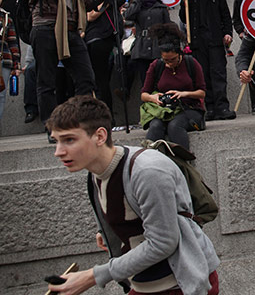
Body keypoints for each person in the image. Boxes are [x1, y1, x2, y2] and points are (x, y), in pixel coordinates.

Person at [46, 96, 220, 295]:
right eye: (56, 141)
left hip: (181, 285)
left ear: (100, 136)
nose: (58, 152)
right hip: (143, 285)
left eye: (69, 140)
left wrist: (92, 276)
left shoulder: (147, 171)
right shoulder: (96, 171)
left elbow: (163, 242)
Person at [19, 0, 115, 124]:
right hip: (45, 29)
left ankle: (82, 121)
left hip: (71, 32)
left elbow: (82, 5)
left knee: (86, 78)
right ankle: (52, 127)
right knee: (47, 82)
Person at [180, 0, 235, 121]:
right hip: (198, 42)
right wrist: (183, 1)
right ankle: (209, 108)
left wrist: (227, 33)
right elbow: (184, 18)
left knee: (218, 73)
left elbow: (225, 16)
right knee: (203, 75)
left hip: (215, 40)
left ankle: (222, 107)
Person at [140, 23, 206, 150]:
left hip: (189, 108)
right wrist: (153, 98)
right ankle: (150, 162)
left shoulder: (191, 63)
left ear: (179, 54)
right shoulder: (156, 66)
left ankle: (182, 165)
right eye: (165, 60)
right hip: (164, 110)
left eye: (172, 59)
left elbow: (202, 92)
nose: (169, 63)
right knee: (155, 126)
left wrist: (183, 94)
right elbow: (144, 94)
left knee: (175, 126)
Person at [83, 0, 122, 120]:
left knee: (102, 80)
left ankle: (108, 116)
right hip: (91, 40)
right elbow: (90, 16)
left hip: (104, 39)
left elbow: (119, 2)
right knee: (97, 81)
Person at [123, 0, 171, 87]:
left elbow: (168, 25)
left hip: (157, 46)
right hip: (142, 47)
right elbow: (128, 16)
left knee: (159, 79)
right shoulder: (137, 7)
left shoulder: (161, 8)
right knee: (145, 80)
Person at [0, 0, 21, 122]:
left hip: (4, 58)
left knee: (1, 94)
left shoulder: (6, 17)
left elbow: (13, 42)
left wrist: (16, 64)